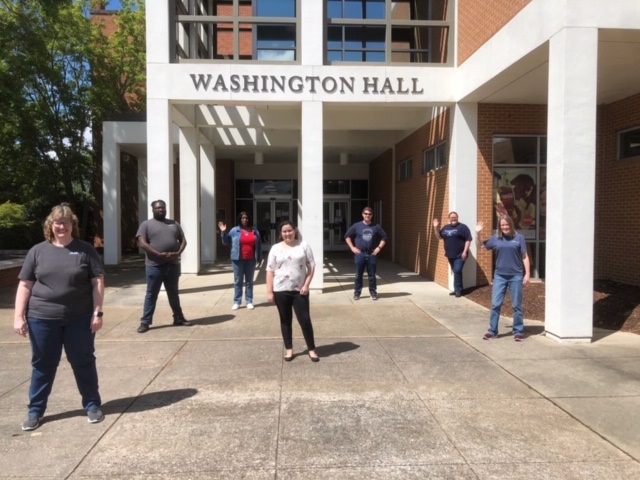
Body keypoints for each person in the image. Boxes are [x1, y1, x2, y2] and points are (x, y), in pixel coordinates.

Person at [14, 204, 105, 431]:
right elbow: (25, 285)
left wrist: (97, 312)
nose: (61, 226)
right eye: (57, 222)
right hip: (42, 318)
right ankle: (35, 411)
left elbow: (98, 282)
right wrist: (18, 317)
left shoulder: (85, 250)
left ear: (73, 225)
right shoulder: (37, 251)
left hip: (79, 318)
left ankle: (92, 405)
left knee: (83, 362)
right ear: (50, 225)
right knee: (43, 364)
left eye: (66, 222)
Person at [266, 221, 319, 363]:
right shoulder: (275, 248)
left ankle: (311, 349)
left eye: (289, 230)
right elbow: (270, 270)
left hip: (299, 291)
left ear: (294, 230)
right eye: (284, 231)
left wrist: (307, 285)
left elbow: (312, 266)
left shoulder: (303, 245)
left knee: (305, 320)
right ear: (280, 233)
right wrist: (269, 292)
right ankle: (289, 348)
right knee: (285, 320)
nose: (287, 234)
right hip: (280, 290)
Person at [136, 200, 191, 333]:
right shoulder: (146, 224)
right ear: (153, 210)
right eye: (158, 208)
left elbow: (183, 240)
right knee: (151, 294)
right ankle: (145, 322)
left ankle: (178, 318)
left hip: (172, 265)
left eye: (163, 208)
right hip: (154, 266)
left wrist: (178, 253)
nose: (161, 210)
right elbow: (142, 242)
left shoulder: (174, 223)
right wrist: (158, 254)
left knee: (173, 293)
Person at [476, 215, 530, 341]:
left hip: (516, 276)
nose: (505, 227)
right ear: (500, 226)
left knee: (517, 305)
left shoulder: (519, 238)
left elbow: (524, 256)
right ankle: (492, 331)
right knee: (495, 304)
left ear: (511, 224)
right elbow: (479, 246)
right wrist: (477, 233)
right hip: (500, 276)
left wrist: (527, 273)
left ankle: (518, 331)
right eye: (502, 225)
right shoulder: (496, 238)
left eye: (507, 224)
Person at [218, 211, 263, 310]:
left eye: (246, 218)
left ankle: (249, 301)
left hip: (251, 260)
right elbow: (226, 242)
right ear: (240, 219)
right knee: (238, 281)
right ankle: (237, 301)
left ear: (249, 219)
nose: (244, 220)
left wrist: (259, 257)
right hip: (237, 259)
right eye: (243, 218)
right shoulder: (235, 230)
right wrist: (223, 232)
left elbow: (259, 246)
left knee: (249, 281)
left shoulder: (255, 231)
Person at [344, 206, 387, 300]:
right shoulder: (357, 226)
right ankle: (357, 293)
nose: (367, 215)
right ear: (362, 214)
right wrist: (352, 248)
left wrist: (378, 248)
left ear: (372, 215)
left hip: (372, 254)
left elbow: (384, 237)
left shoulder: (376, 226)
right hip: (360, 254)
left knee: (372, 276)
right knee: (358, 275)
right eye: (366, 214)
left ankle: (373, 292)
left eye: (369, 214)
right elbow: (347, 236)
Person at [433, 212, 473, 297]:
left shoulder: (463, 227)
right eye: (451, 217)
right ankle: (457, 289)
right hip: (450, 254)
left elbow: (468, 240)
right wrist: (435, 228)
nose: (453, 219)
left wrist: (465, 251)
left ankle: (458, 290)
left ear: (457, 218)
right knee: (456, 271)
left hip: (460, 254)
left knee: (457, 270)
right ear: (449, 218)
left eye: (455, 217)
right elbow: (439, 237)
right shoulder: (445, 228)